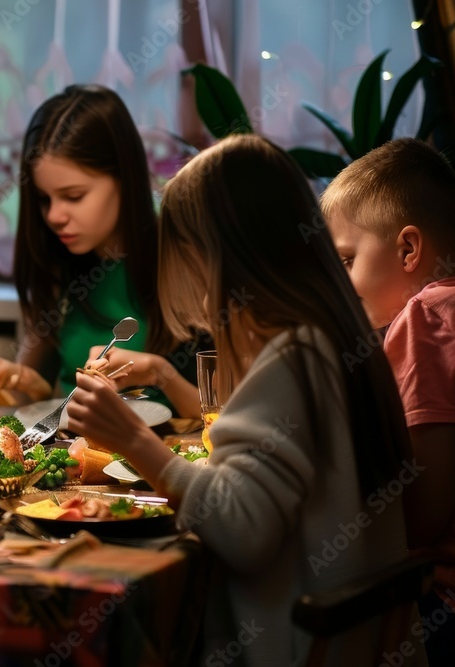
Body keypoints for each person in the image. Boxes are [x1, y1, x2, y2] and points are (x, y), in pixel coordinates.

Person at [67, 134, 417, 663]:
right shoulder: (337, 338)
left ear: (225, 255)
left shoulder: (294, 356)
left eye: (191, 257)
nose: (197, 288)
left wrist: (134, 438)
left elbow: (243, 531)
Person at [0, 84, 202, 417]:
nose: (53, 216)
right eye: (44, 199)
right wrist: (16, 376)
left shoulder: (183, 251)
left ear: (125, 177)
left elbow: (220, 415)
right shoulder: (58, 256)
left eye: (74, 196)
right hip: (73, 456)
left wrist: (161, 374)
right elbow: (42, 400)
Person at [321, 137, 455, 665]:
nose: (340, 284)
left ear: (407, 249)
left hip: (436, 605)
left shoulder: (424, 319)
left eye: (348, 260)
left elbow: (421, 517)